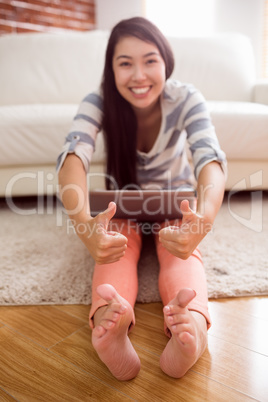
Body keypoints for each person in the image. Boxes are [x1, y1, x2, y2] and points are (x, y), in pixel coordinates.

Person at [57, 17, 227, 381]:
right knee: (114, 248)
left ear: (166, 61)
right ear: (111, 68)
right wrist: (85, 226)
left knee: (182, 254)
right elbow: (73, 158)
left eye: (150, 60)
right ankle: (109, 323)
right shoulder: (99, 101)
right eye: (125, 63)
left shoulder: (186, 98)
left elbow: (210, 160)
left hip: (175, 203)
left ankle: (192, 326)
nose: (139, 75)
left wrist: (203, 220)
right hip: (124, 204)